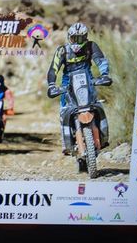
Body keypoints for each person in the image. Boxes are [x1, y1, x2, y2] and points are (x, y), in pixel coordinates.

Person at [46, 22, 110, 158]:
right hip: (68, 83)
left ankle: (103, 136)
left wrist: (104, 74)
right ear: (69, 37)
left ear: (85, 37)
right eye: (74, 38)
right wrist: (51, 85)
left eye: (80, 38)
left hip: (88, 80)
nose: (77, 41)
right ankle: (66, 141)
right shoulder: (62, 50)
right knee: (64, 109)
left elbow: (101, 61)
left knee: (96, 105)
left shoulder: (91, 46)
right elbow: (53, 69)